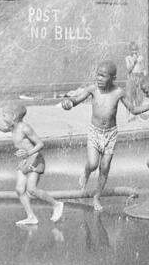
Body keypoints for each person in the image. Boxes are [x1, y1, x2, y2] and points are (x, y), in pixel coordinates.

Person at [61, 60, 143, 211]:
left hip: (110, 134)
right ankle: (86, 172)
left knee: (104, 167)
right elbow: (76, 100)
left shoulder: (118, 92)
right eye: (98, 75)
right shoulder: (93, 89)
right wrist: (68, 103)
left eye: (103, 76)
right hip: (95, 132)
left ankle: (97, 196)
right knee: (93, 164)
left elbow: (133, 109)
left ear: (113, 78)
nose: (99, 78)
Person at [0, 103, 64, 225]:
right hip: (25, 161)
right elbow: (3, 129)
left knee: (32, 189)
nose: (2, 118)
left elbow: (40, 144)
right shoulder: (12, 127)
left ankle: (56, 204)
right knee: (19, 189)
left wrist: (28, 153)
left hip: (35, 160)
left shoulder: (25, 128)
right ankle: (31, 216)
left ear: (13, 116)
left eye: (4, 115)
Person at [125, 42, 146, 120]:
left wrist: (145, 78)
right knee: (130, 97)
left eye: (136, 50)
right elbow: (128, 69)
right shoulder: (128, 58)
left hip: (140, 76)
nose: (134, 52)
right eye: (132, 50)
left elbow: (143, 69)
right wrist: (134, 60)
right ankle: (128, 115)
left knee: (139, 97)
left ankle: (138, 115)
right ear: (130, 50)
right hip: (132, 77)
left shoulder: (141, 57)